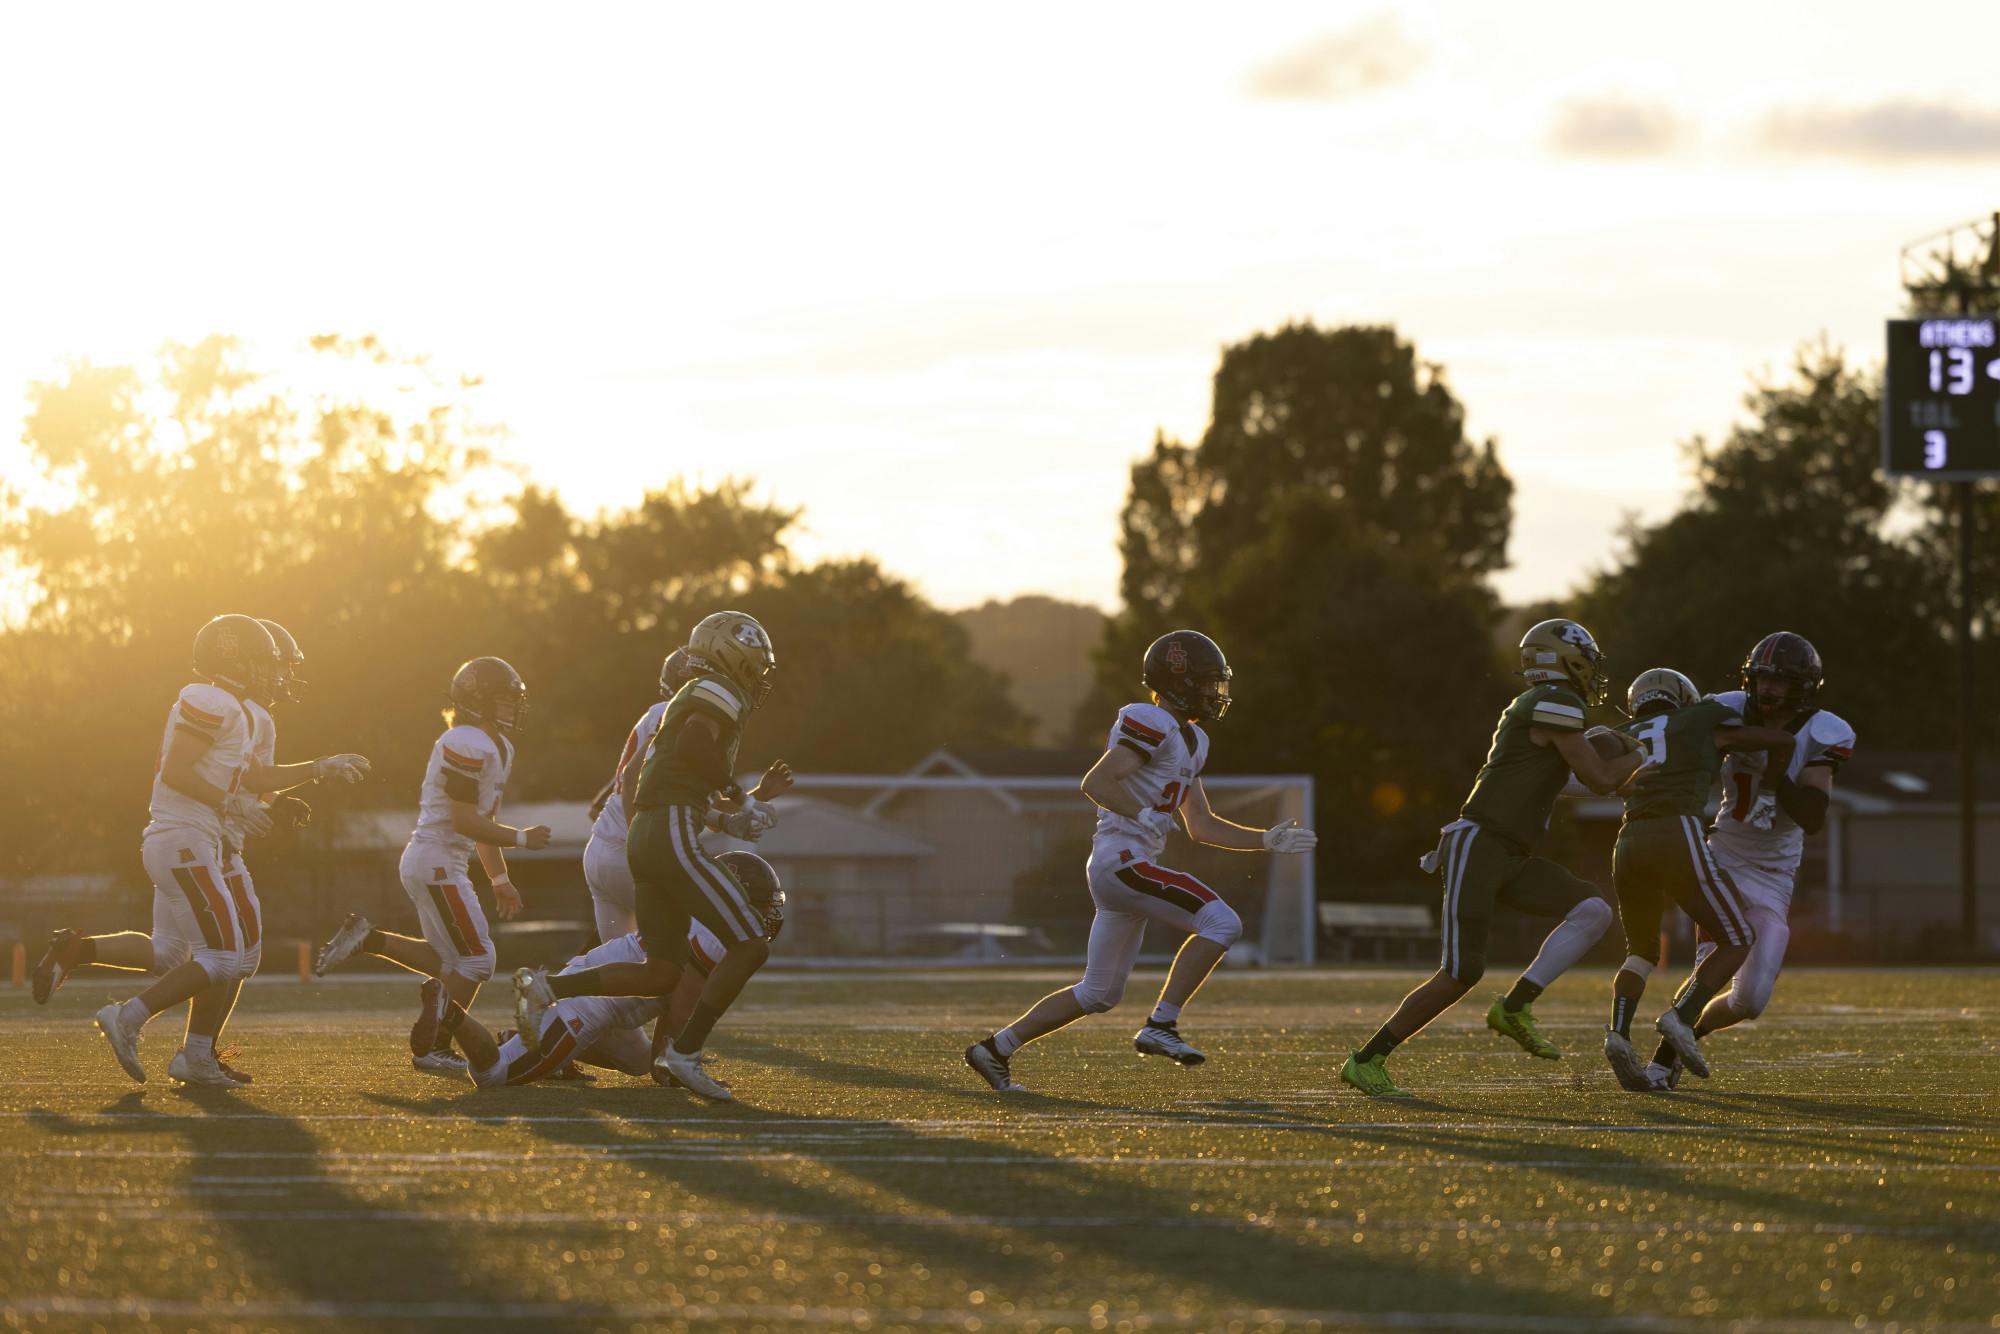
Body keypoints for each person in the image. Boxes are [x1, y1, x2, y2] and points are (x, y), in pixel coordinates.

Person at [963, 630, 1318, 1095]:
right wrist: (1143, 813)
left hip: (1123, 867)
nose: (1215, 692)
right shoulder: (1151, 721)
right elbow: (1096, 782)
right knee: (1222, 922)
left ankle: (995, 1049)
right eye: (1207, 682)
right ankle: (1161, 1024)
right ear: (1179, 682)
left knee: (1098, 993)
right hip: (1123, 859)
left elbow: (1201, 824)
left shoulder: (1193, 739)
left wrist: (1266, 840)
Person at [1341, 618, 1638, 1100]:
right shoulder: (1556, 701)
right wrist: (1639, 755)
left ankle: (1516, 1006)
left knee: (1592, 909)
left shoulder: (1548, 706)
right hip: (1480, 845)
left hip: (1512, 852)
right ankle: (1366, 1060)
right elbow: (1602, 779)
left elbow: (1578, 783)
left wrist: (1631, 771)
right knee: (1461, 972)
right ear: (1567, 660)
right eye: (1587, 659)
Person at [515, 611, 781, 1102]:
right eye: (755, 661)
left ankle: (547, 988)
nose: (760, 673)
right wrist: (738, 798)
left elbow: (658, 774)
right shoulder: (718, 690)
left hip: (645, 836)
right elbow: (693, 746)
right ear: (731, 655)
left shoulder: (685, 696)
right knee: (749, 943)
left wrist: (731, 812)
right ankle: (683, 1054)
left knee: (662, 971)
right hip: (667, 832)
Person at [93, 615, 370, 1085]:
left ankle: (196, 1054)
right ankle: (128, 1016)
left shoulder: (240, 711)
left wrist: (319, 767)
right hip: (186, 836)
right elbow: (177, 772)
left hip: (203, 839)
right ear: (235, 661)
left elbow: (256, 778)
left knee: (238, 958)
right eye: (265, 662)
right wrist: (231, 803)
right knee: (218, 957)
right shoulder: (211, 700)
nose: (274, 673)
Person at [313, 657, 550, 1073]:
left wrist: (499, 877)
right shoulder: (465, 741)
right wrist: (521, 839)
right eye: (502, 698)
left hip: (437, 860)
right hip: (437, 860)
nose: (512, 706)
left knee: (452, 961)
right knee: (478, 961)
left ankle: (369, 940)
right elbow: (464, 820)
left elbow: (482, 823)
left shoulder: (496, 745)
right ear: (476, 701)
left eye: (513, 699)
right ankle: (434, 1045)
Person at [1642, 632, 1854, 1086]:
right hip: (1723, 856)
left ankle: (1688, 1035)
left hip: (1775, 873)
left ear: (1803, 686)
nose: (1768, 689)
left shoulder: (1823, 731)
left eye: (1780, 681)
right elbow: (1678, 748)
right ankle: (1661, 1062)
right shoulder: (1727, 709)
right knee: (1711, 967)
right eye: (1762, 678)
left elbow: (1812, 817)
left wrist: (1774, 769)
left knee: (1750, 1002)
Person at [1600, 668, 1795, 1090]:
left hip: (1627, 842)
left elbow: (1588, 775)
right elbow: (1782, 741)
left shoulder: (1625, 731)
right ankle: (1682, 1015)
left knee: (1640, 953)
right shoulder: (1701, 717)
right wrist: (1767, 789)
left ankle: (1617, 1033)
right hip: (1675, 832)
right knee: (1738, 937)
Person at [454, 853, 785, 1090]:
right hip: (591, 1003)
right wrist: (677, 1065)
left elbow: (673, 1007)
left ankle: (531, 1038)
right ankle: (449, 1012)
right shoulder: (714, 937)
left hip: (609, 1002)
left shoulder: (703, 923)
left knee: (639, 1063)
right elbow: (681, 1007)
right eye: (761, 905)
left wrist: (662, 1064)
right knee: (493, 1075)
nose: (768, 914)